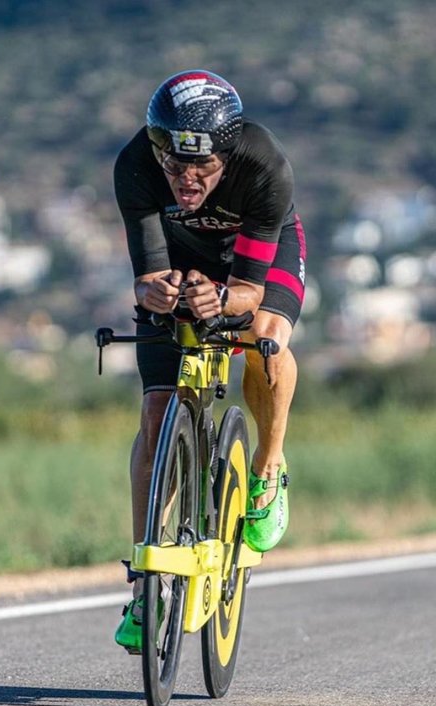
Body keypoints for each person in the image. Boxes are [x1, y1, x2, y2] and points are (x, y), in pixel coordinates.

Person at [113, 70, 306, 651]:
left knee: (266, 337)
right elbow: (146, 276)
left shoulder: (263, 165)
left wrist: (221, 298)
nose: (187, 180)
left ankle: (268, 467)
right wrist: (155, 292)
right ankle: (147, 585)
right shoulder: (136, 165)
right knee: (156, 415)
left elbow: (248, 290)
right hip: (181, 259)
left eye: (202, 167)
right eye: (175, 166)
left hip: (254, 263)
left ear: (227, 154)